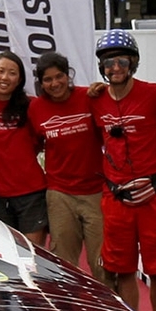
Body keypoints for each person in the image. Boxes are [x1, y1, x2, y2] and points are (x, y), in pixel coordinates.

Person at [90, 30, 156, 311]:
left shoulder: (153, 94)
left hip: (153, 194)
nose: (115, 68)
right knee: (123, 270)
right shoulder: (95, 99)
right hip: (116, 197)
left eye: (121, 61)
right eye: (109, 63)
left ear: (133, 63)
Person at [28, 52, 114, 287]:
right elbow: (32, 146)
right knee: (63, 264)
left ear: (68, 76)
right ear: (40, 82)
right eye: (48, 80)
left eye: (59, 77)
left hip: (95, 191)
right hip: (60, 194)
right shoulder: (35, 108)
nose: (55, 84)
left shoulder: (90, 97)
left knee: (103, 264)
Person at [0, 51, 48, 244]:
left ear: (19, 80)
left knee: (32, 255)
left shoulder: (31, 106)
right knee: (7, 254)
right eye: (1, 71)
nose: (5, 77)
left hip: (32, 194)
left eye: (12, 73)